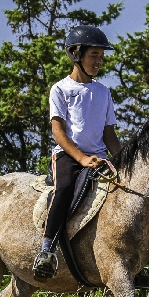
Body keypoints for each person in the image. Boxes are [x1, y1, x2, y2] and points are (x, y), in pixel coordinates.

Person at [33, 25, 121, 279]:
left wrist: (124, 160)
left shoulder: (104, 92)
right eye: (94, 55)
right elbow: (58, 132)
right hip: (68, 156)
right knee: (64, 189)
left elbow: (109, 136)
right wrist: (81, 158)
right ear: (76, 54)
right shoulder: (60, 89)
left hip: (99, 157)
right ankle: (47, 249)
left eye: (101, 56)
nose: (99, 61)